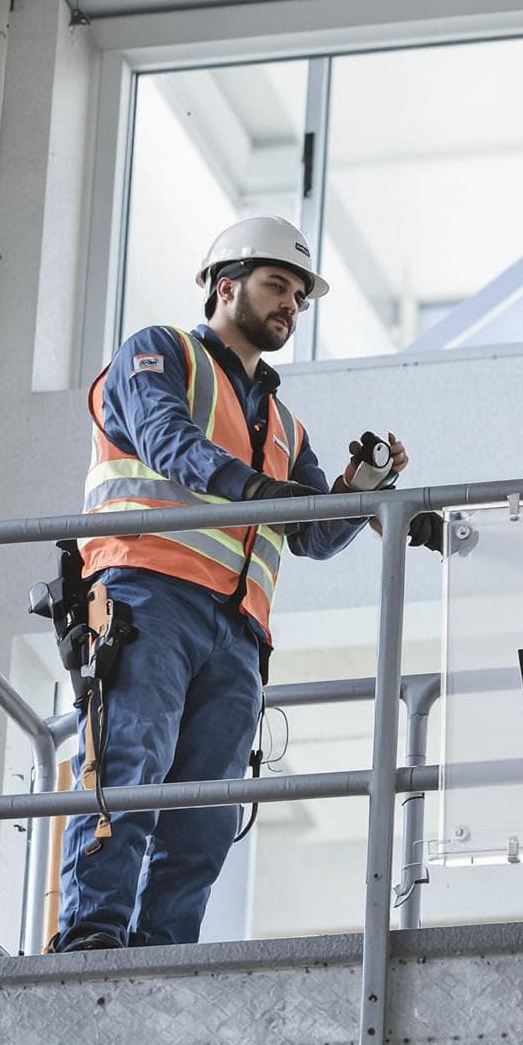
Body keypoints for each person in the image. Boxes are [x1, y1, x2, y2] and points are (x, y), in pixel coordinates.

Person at [54, 215, 412, 951]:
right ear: (226, 287)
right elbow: (168, 442)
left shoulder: (283, 423)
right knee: (128, 765)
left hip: (238, 634)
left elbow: (312, 532)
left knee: (208, 813)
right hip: (145, 593)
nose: (291, 304)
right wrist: (259, 493)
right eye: (277, 285)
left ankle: (162, 955)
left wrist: (358, 488)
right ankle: (90, 943)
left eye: (300, 297)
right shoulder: (160, 353)